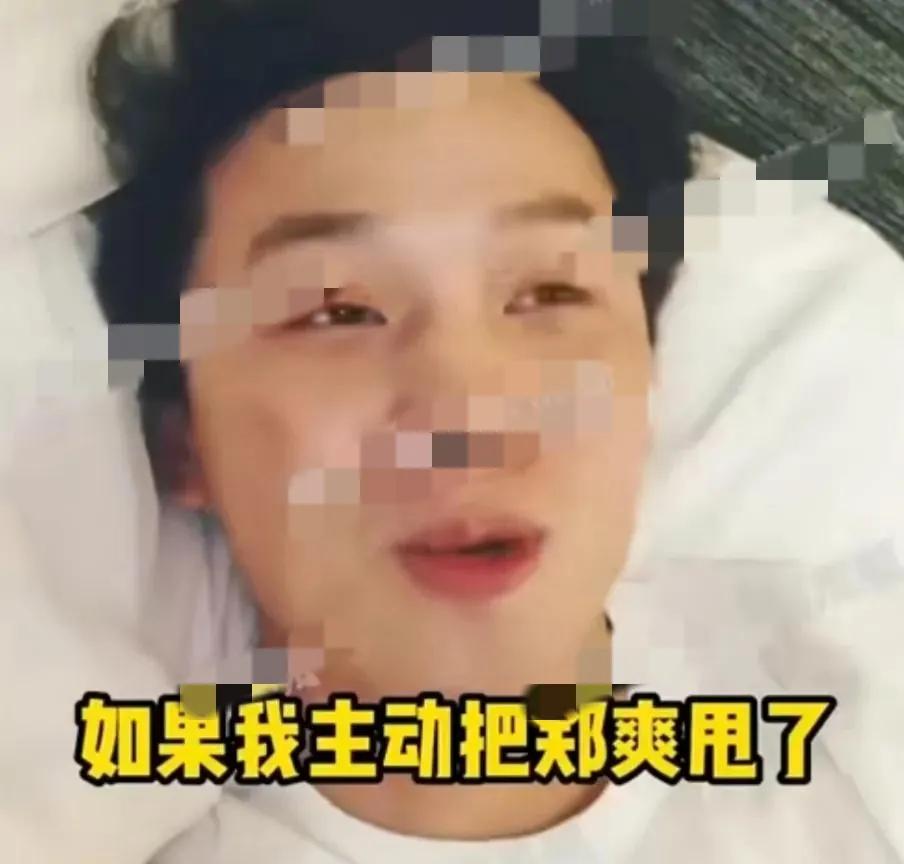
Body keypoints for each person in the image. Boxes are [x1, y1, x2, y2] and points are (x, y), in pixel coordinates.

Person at [88, 1, 898, 862]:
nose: (468, 415)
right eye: (338, 311)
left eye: (550, 293)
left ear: (647, 379)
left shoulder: (856, 738)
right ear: (184, 440)